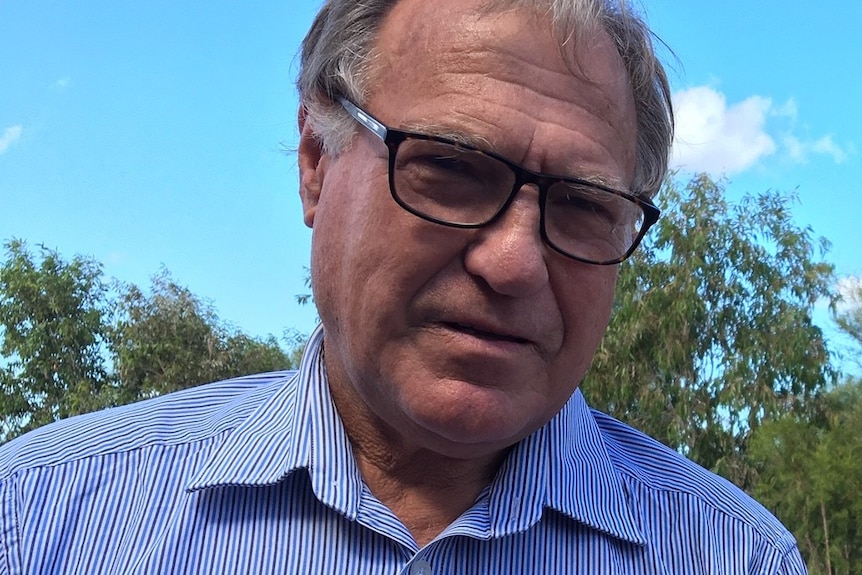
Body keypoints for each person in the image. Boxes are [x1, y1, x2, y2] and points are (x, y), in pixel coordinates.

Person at [0, 0, 807, 573]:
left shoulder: (735, 555)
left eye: (585, 204)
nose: (516, 262)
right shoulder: (43, 522)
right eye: (451, 167)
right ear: (316, 161)